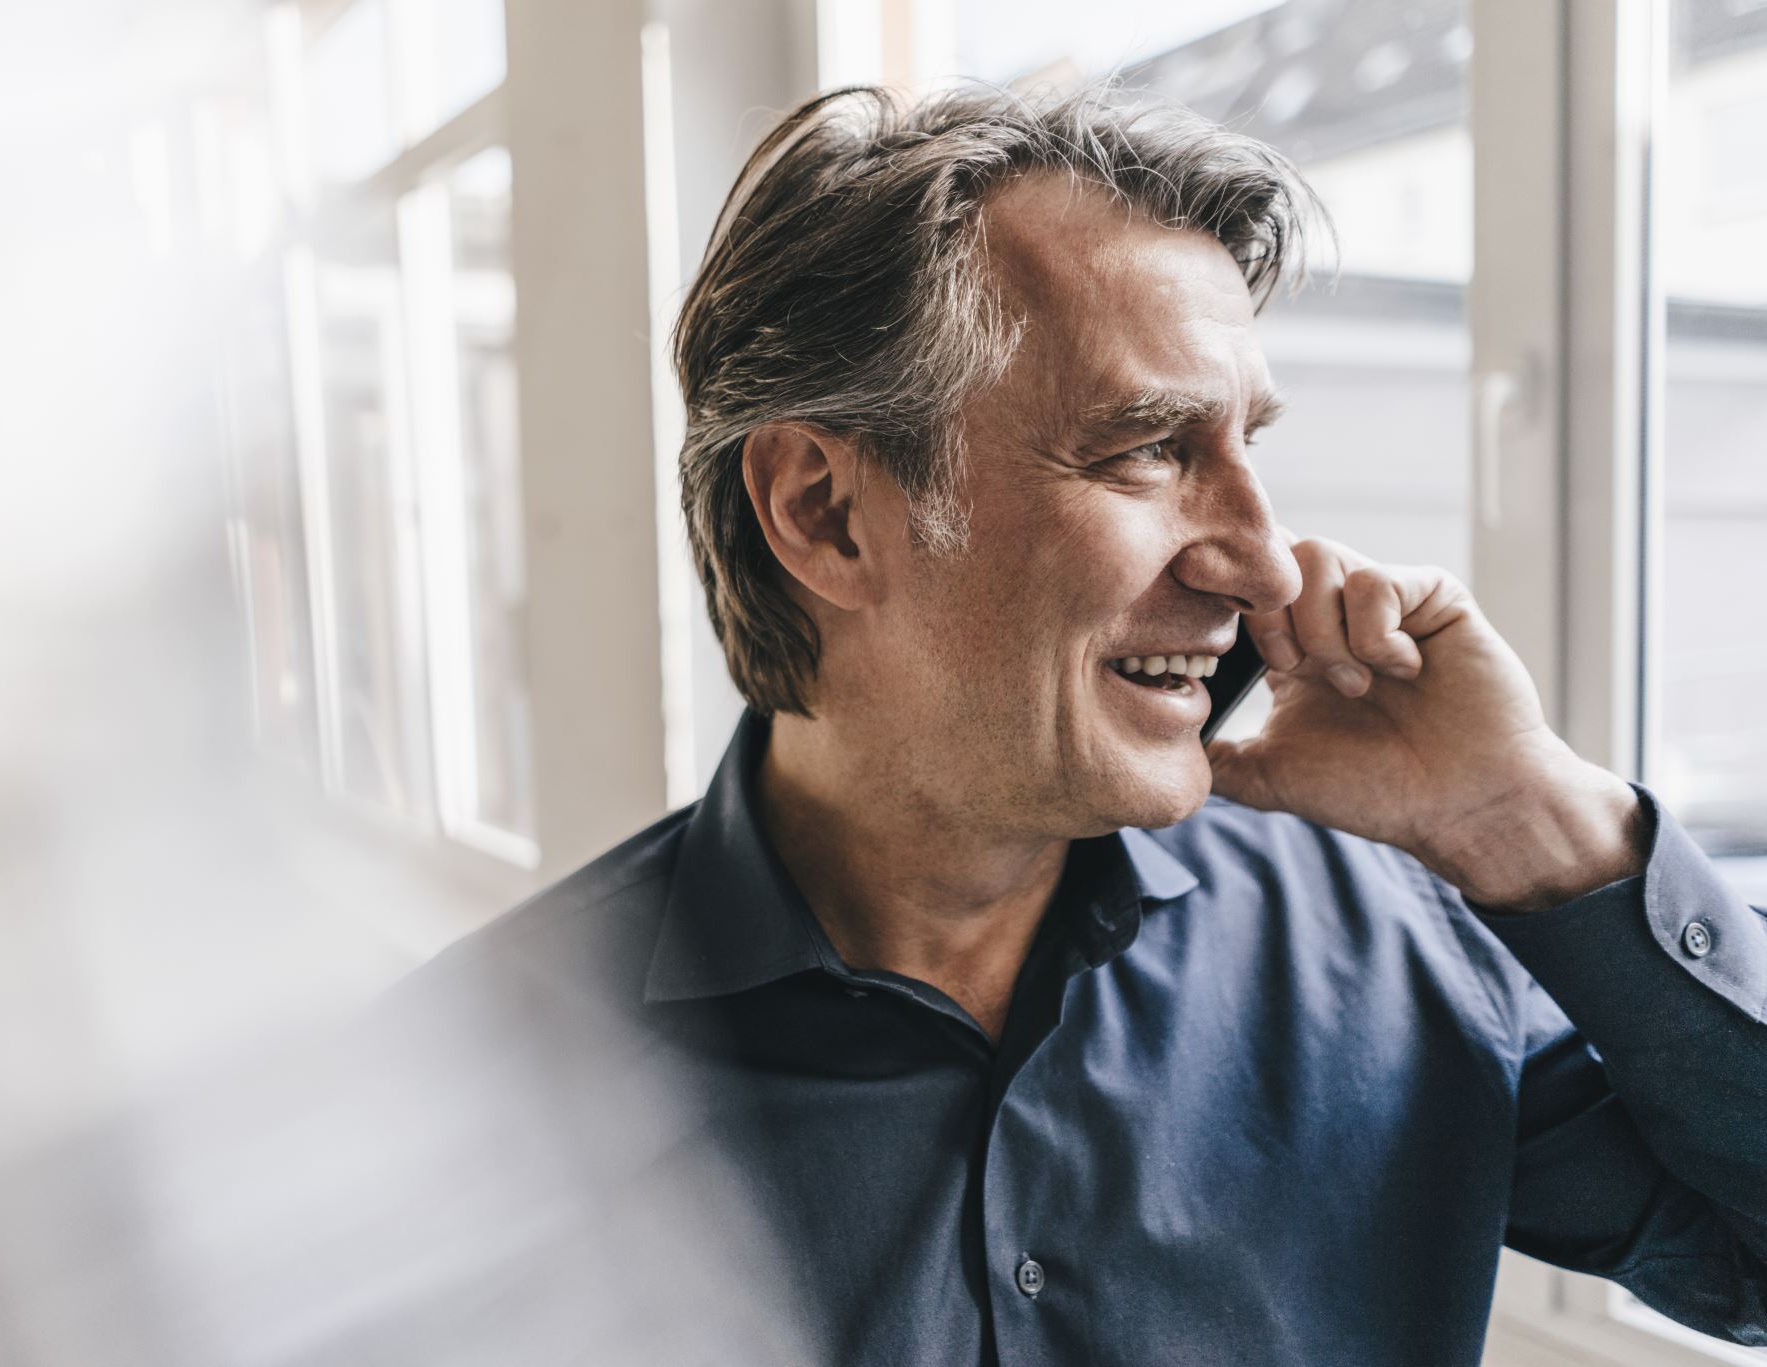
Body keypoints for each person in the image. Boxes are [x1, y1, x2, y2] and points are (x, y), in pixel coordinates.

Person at [373, 86, 1767, 1365]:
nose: (1267, 563)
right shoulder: (448, 1110)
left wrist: (1541, 826)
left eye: (1249, 447)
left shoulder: (1404, 954)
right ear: (824, 513)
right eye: (1150, 447)